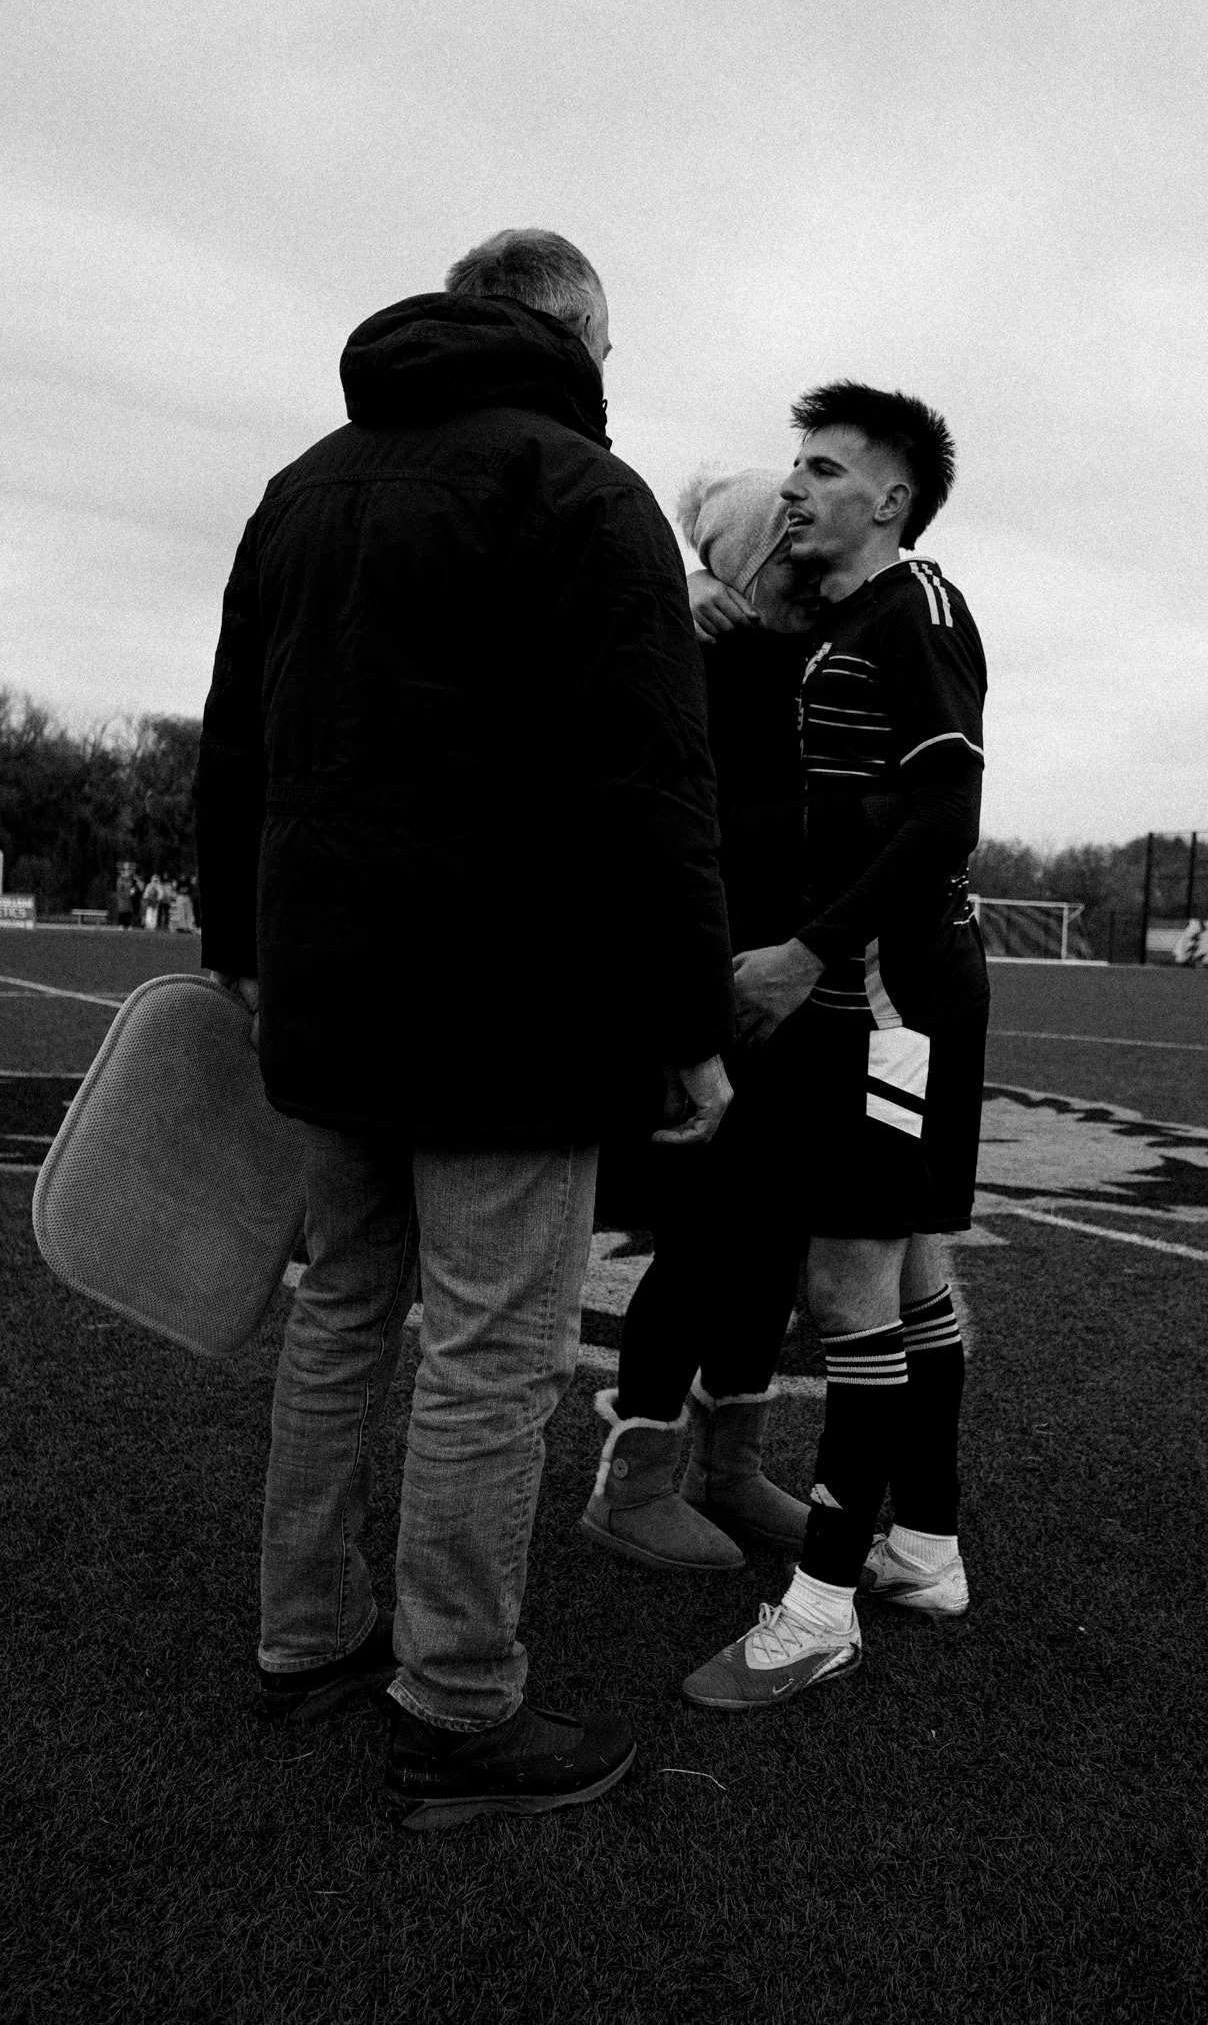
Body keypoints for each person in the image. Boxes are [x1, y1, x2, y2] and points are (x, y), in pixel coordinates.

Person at [194, 228, 735, 1825]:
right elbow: (652, 778)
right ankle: (454, 1707)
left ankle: (308, 1640)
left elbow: (238, 738)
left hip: (334, 994)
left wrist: (241, 940)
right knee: (492, 1361)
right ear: (572, 334)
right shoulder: (579, 489)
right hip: (515, 1006)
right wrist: (689, 1015)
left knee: (346, 1314)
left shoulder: (305, 483)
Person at [679, 381, 990, 1713]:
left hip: (885, 1000)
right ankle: (921, 1542)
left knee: (849, 1287)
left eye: (818, 466)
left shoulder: (916, 611)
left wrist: (808, 952)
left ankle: (819, 1610)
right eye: (789, 464)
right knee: (908, 1272)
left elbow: (945, 816)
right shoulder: (846, 621)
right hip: (864, 994)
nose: (790, 485)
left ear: (890, 500)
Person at [582, 471, 819, 1571]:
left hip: (803, 988)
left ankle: (731, 1464)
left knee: (774, 1237)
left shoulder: (822, 649)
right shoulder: (689, 653)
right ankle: (632, 1483)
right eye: (789, 552)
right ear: (745, 565)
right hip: (705, 984)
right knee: (707, 1234)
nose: (812, 569)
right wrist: (683, 599)